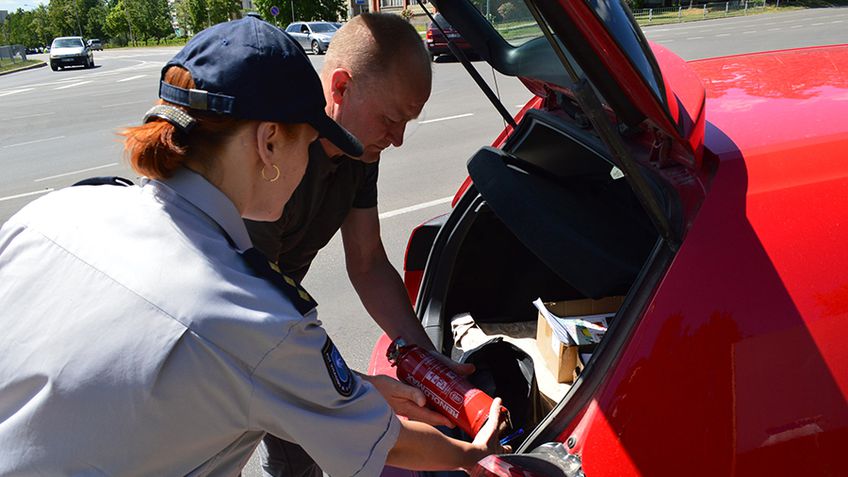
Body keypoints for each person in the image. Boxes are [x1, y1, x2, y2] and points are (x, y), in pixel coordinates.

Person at [0, 17, 507, 476]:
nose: (314, 162)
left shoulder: (53, 212)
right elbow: (373, 433)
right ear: (268, 144)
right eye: (308, 144)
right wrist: (470, 455)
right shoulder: (250, 313)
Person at [243, 13, 475, 477]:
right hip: (240, 334)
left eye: (407, 122)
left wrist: (424, 355)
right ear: (341, 87)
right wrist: (353, 388)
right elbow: (254, 317)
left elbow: (367, 261)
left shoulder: (357, 150)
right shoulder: (274, 156)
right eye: (391, 119)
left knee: (298, 455)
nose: (399, 139)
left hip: (276, 320)